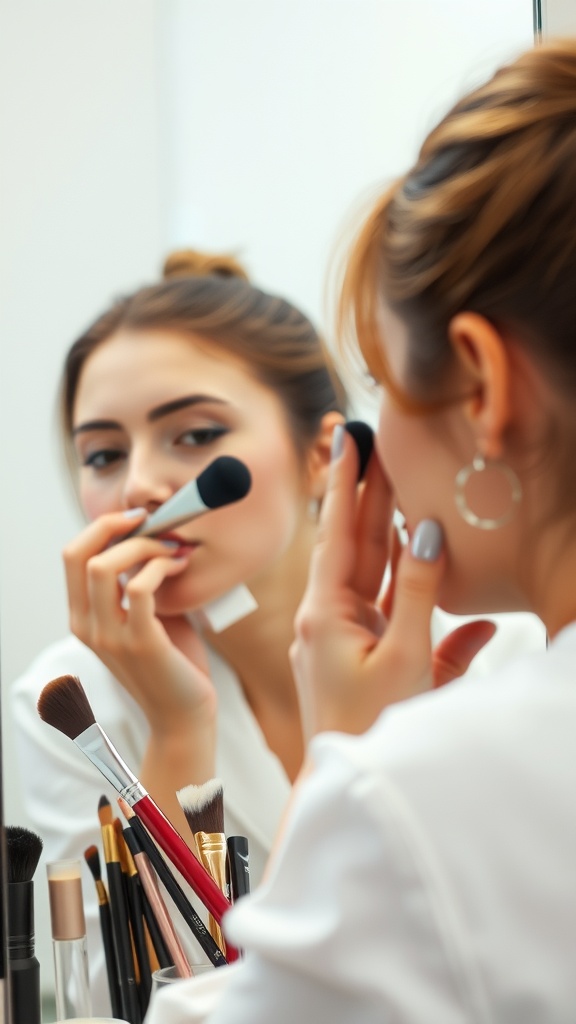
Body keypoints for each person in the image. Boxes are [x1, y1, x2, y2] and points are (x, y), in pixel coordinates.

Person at [144, 40, 576, 1023]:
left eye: (383, 383)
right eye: (98, 450)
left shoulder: (415, 793)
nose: (146, 484)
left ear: (484, 386)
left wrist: (348, 757)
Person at [12, 250, 351, 1013]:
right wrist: (176, 727)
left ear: (323, 453)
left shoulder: (487, 638)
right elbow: (118, 1008)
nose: (137, 486)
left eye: (194, 435)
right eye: (102, 453)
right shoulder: (67, 696)